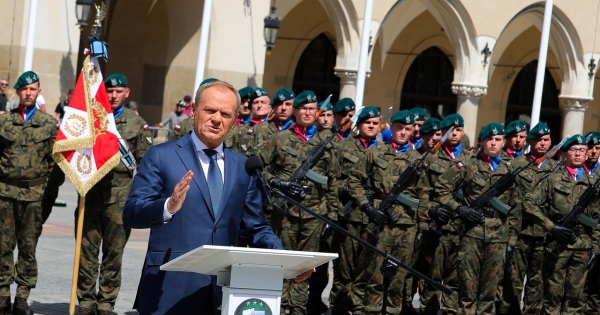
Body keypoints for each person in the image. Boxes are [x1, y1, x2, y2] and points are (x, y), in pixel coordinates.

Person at [123, 80, 286, 315]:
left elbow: (256, 227)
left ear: (233, 121)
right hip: (169, 287)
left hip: (222, 292)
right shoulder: (161, 156)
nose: (217, 119)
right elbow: (132, 212)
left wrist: (284, 261)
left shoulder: (243, 166)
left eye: (226, 114)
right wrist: (168, 206)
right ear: (194, 111)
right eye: (210, 110)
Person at [75, 73, 153, 315]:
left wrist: (140, 198)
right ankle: (86, 302)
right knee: (86, 251)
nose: (114, 95)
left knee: (113, 253)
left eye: (119, 91)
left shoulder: (136, 124)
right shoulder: (90, 121)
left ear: (127, 93)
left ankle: (106, 302)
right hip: (91, 192)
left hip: (120, 197)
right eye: (109, 91)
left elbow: (145, 163)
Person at [258, 90, 339, 315]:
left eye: (311, 109)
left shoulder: (326, 143)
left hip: (314, 215)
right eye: (303, 108)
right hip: (284, 215)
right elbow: (256, 168)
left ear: (317, 112)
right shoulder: (279, 138)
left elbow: (332, 182)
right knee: (282, 265)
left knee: (305, 269)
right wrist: (278, 183)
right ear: (295, 111)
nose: (307, 112)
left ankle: (297, 310)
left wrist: (331, 216)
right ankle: (279, 308)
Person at [348, 109, 429, 314]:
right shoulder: (374, 153)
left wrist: (422, 227)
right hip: (380, 222)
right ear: (391, 128)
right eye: (399, 128)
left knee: (398, 279)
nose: (403, 132)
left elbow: (424, 195)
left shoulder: (418, 159)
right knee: (374, 275)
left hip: (406, 226)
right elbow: (354, 181)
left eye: (408, 129)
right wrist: (367, 207)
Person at [435, 122, 521, 314]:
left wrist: (511, 241)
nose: (493, 143)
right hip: (471, 235)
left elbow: (516, 209)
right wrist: (460, 209)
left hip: (498, 237)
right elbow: (442, 188)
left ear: (503, 142)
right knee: (467, 291)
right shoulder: (468, 165)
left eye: (498, 139)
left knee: (490, 293)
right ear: (481, 141)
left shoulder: (510, 170)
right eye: (489, 139)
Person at [0, 71, 57, 315]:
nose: (28, 93)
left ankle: (22, 297)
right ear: (17, 92)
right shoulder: (4, 122)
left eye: (33, 89)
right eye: (24, 89)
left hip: (33, 195)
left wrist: (46, 192)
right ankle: (2, 294)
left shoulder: (48, 123)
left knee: (28, 247)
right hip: (5, 193)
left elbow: (54, 162)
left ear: (39, 91)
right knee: (2, 246)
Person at [524, 134, 600, 314]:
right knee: (553, 295)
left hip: (582, 246)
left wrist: (595, 248)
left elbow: (597, 218)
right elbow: (529, 203)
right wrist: (551, 227)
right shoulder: (553, 179)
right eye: (574, 150)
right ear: (565, 153)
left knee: (576, 298)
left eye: (582, 150)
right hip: (558, 246)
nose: (579, 154)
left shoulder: (593, 183)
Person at [498, 122, 555, 315]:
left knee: (537, 283)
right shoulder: (515, 165)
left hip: (544, 234)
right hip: (519, 232)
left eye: (546, 140)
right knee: (512, 283)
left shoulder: (557, 169)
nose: (542, 143)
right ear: (530, 141)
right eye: (538, 139)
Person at [329, 106, 381, 315]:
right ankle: (340, 307)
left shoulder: (383, 152)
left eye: (375, 123)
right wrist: (350, 190)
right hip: (348, 216)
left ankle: (358, 307)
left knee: (366, 269)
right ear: (359, 125)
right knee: (344, 269)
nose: (371, 126)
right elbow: (333, 181)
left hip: (371, 218)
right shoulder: (344, 147)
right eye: (367, 123)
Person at [420, 114, 472, 315]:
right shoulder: (430, 157)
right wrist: (430, 210)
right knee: (432, 277)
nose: (454, 133)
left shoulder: (471, 159)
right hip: (437, 227)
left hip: (461, 228)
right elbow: (421, 191)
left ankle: (450, 311)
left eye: (458, 130)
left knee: (456, 278)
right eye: (450, 130)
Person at [235, 87, 271, 155]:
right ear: (251, 107)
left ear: (270, 108)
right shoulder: (241, 130)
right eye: (256, 102)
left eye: (263, 102)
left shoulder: (276, 129)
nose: (259, 105)